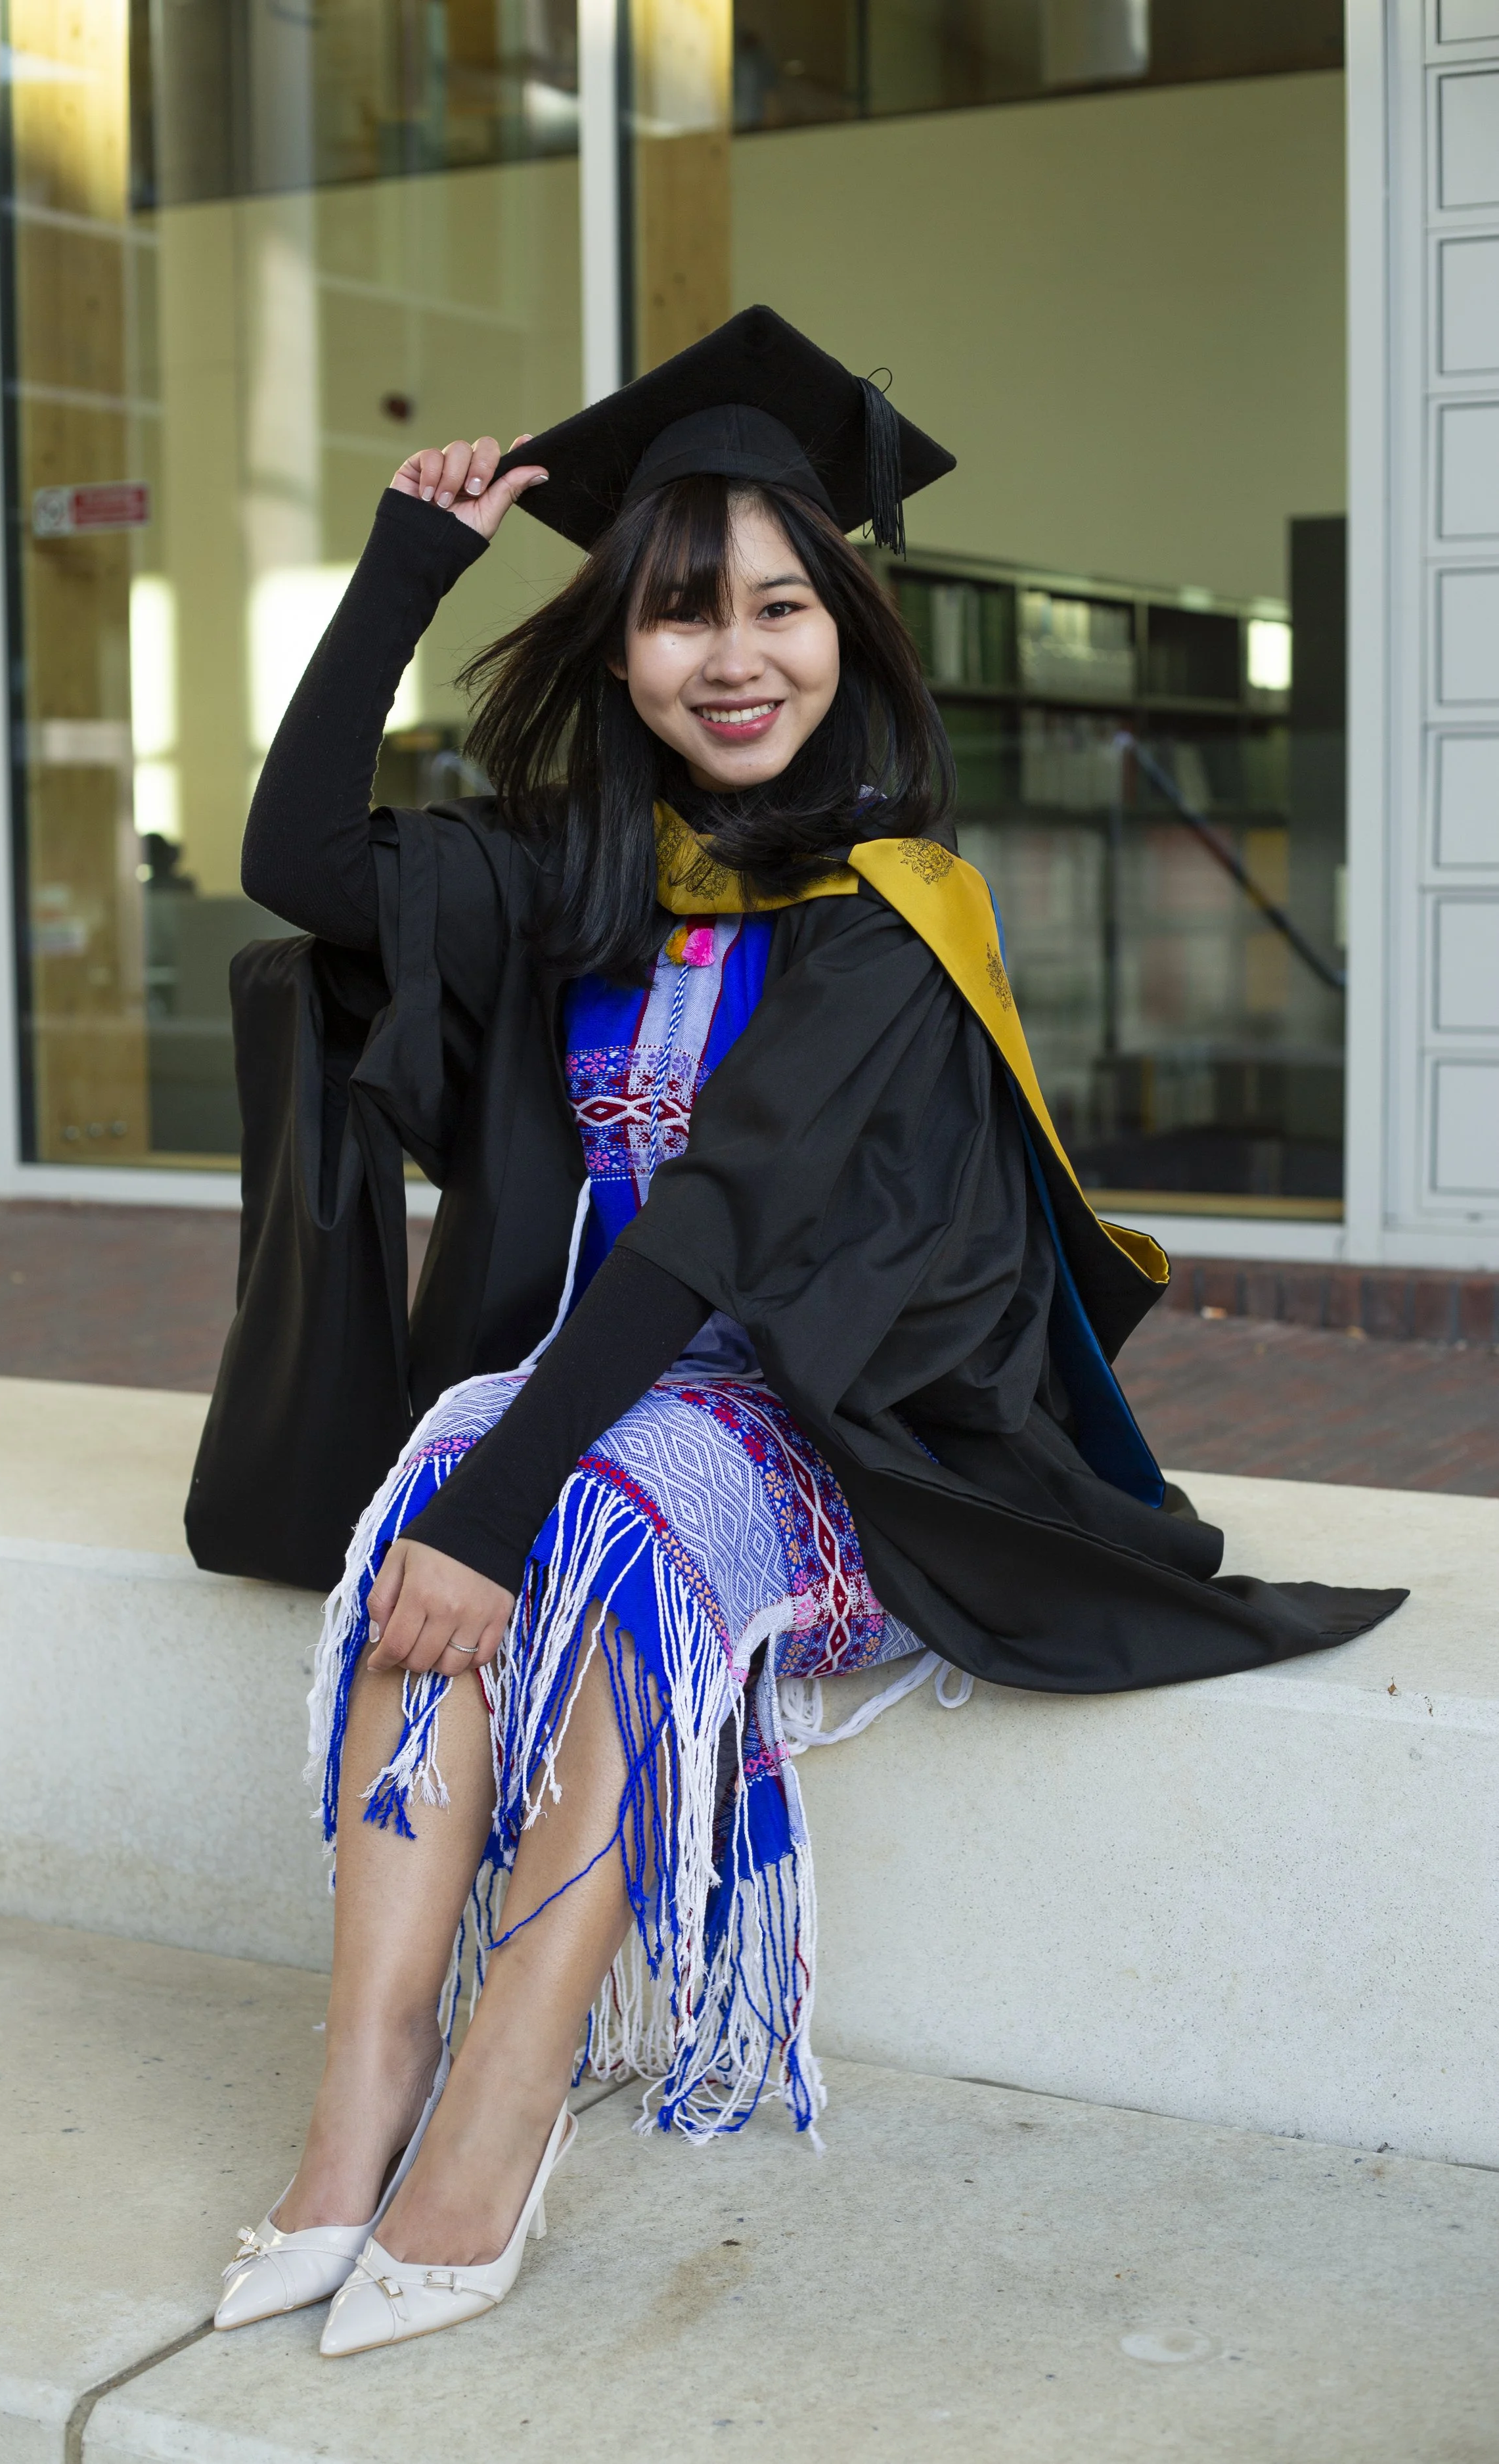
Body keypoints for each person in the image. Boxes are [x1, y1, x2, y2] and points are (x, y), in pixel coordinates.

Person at [203, 308, 1403, 2359]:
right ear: (619, 651)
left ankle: (506, 2080)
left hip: (835, 1425)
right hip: (581, 1399)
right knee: (496, 1451)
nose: (734, 654)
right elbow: (294, 859)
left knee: (591, 1517)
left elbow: (711, 1234)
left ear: (848, 624)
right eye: (680, 614)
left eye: (779, 602)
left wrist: (498, 1501)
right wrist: (407, 564)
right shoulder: (573, 868)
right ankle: (359, 2091)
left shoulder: (887, 910)